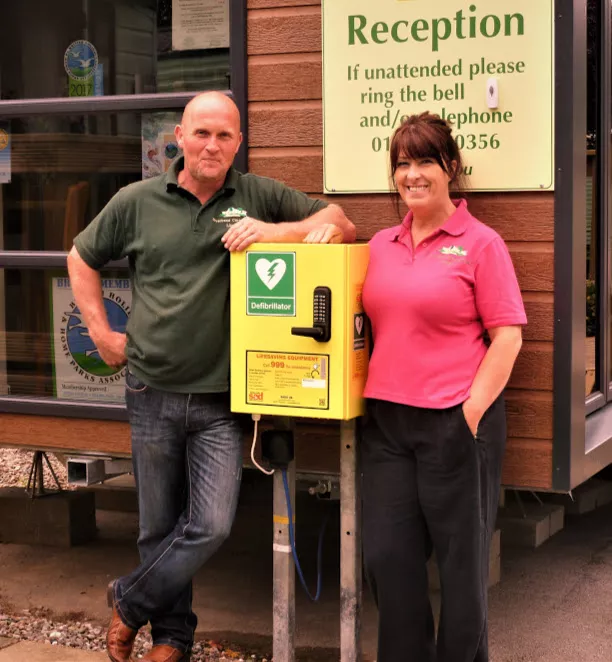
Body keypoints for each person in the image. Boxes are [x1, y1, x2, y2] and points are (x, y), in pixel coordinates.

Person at [67, 91, 356, 662]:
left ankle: (128, 603)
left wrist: (274, 233)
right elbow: (81, 258)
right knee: (157, 527)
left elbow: (340, 223)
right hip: (151, 389)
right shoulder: (137, 201)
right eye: (202, 133)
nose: (212, 145)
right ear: (179, 137)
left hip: (224, 399)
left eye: (225, 135)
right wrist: (101, 335)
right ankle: (172, 640)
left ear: (238, 142)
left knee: (213, 524)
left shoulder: (254, 195)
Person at [360, 112, 526, 662]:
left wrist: (470, 413)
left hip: (455, 423)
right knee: (389, 560)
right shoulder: (382, 244)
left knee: (461, 571)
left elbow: (507, 338)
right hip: (387, 425)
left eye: (425, 160)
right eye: (402, 163)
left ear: (451, 167)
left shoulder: (481, 244)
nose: (412, 174)